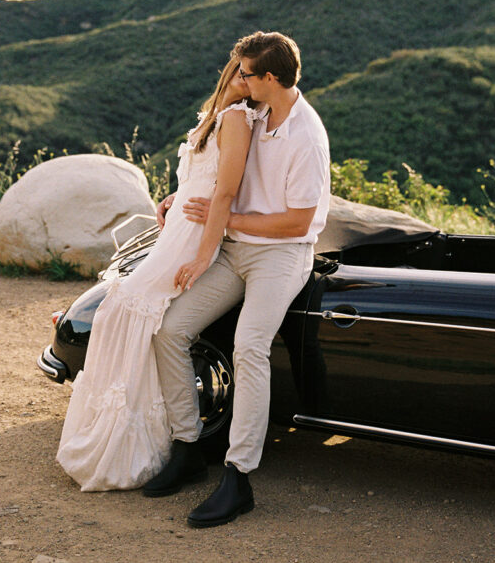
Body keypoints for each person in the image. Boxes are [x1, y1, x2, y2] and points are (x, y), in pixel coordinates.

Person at [144, 31, 331, 528]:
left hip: (283, 256)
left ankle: (239, 475)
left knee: (250, 344)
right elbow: (219, 175)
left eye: (246, 73)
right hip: (235, 251)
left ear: (270, 77)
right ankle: (188, 448)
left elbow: (297, 223)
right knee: (170, 330)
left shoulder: (307, 137)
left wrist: (226, 223)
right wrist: (181, 202)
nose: (237, 79)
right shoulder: (254, 113)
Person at [56, 55, 258, 491]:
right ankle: (140, 438)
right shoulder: (215, 114)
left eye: (257, 76)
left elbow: (226, 190)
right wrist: (174, 196)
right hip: (179, 226)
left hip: (197, 233)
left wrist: (204, 254)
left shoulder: (241, 118)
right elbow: (203, 179)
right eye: (243, 73)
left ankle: (142, 441)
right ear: (230, 69)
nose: (249, 83)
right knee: (127, 318)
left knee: (125, 315)